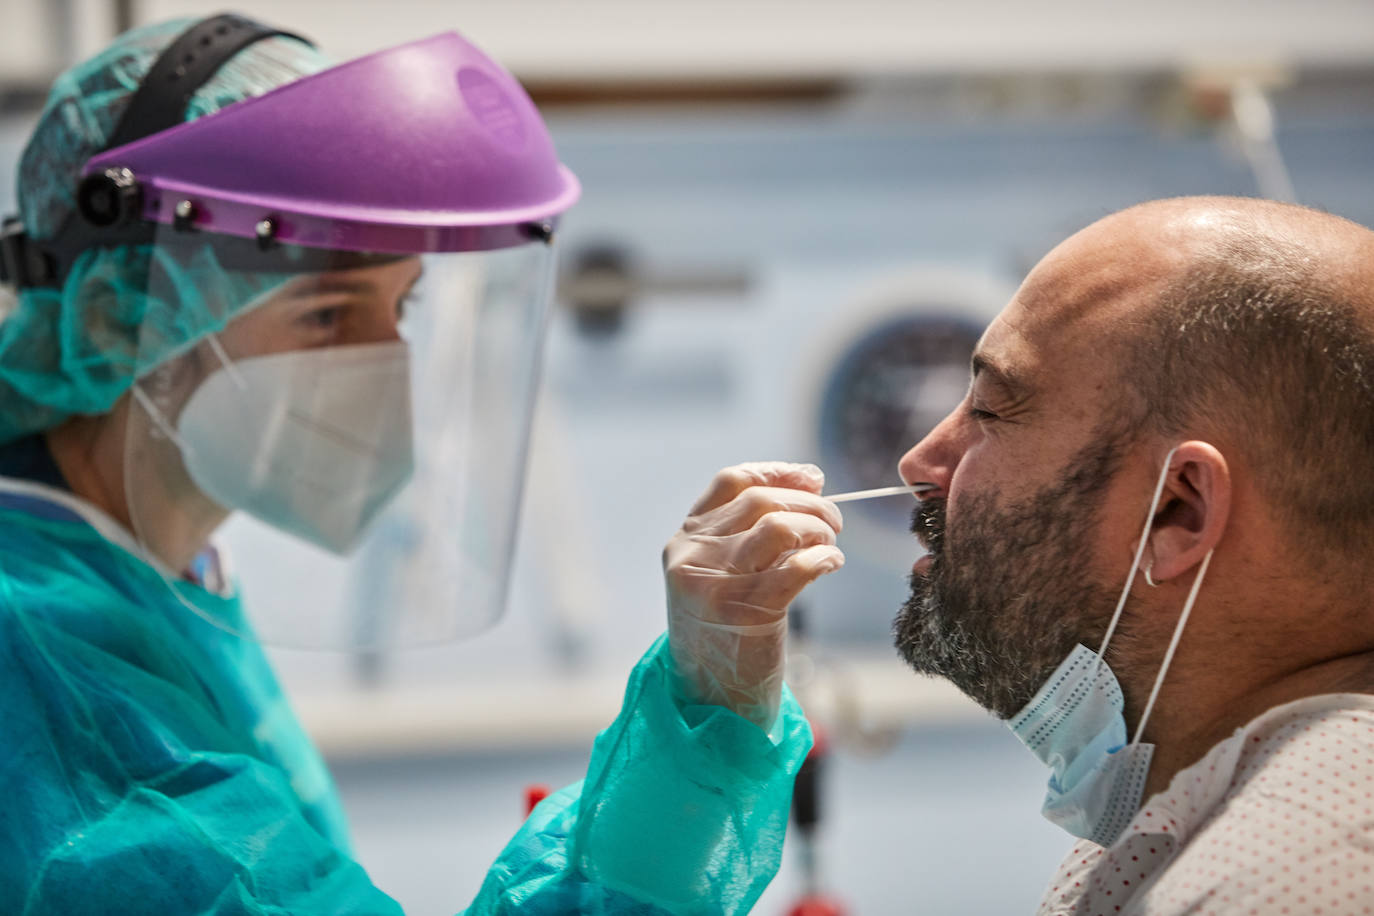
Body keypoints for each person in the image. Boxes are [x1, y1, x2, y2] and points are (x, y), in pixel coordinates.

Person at [0, 14, 814, 914]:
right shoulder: (44, 664)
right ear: (121, 319)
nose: (385, 366)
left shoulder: (143, 579)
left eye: (403, 307)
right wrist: (698, 739)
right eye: (327, 314)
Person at [667, 196, 1374, 914]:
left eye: (991, 409)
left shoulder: (1288, 882)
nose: (918, 461)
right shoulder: (1203, 823)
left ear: (1177, 509)